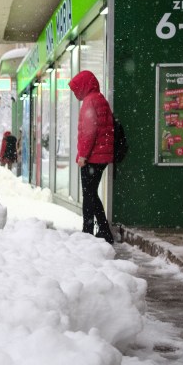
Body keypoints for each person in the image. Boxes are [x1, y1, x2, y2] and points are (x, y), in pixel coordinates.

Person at [68, 70, 114, 244]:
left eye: (76, 89)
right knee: (92, 194)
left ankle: (89, 232)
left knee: (89, 195)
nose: (75, 93)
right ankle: (103, 231)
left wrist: (83, 155)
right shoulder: (99, 98)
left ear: (84, 86)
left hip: (93, 157)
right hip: (101, 156)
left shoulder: (89, 101)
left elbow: (89, 132)